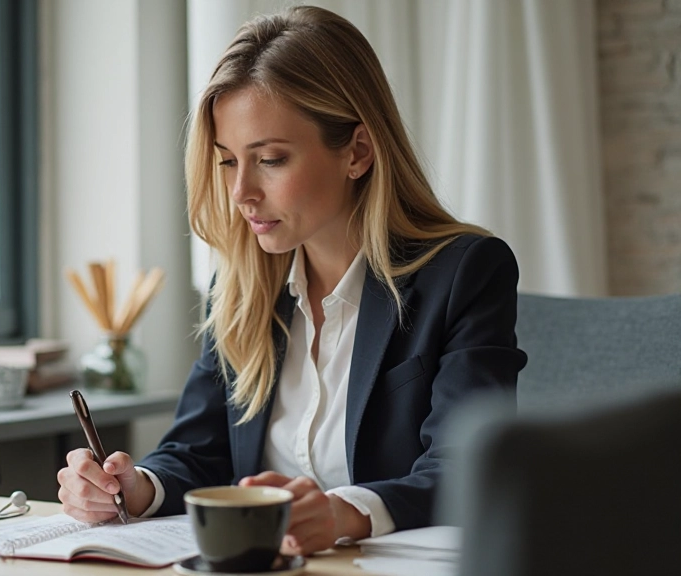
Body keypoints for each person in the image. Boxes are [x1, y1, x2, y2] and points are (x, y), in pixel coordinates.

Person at [57, 5, 527, 556]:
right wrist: (134, 487)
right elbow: (198, 451)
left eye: (271, 159)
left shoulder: (465, 273)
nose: (241, 193)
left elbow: (466, 467)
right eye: (228, 161)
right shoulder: (241, 288)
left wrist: (343, 513)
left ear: (357, 152)